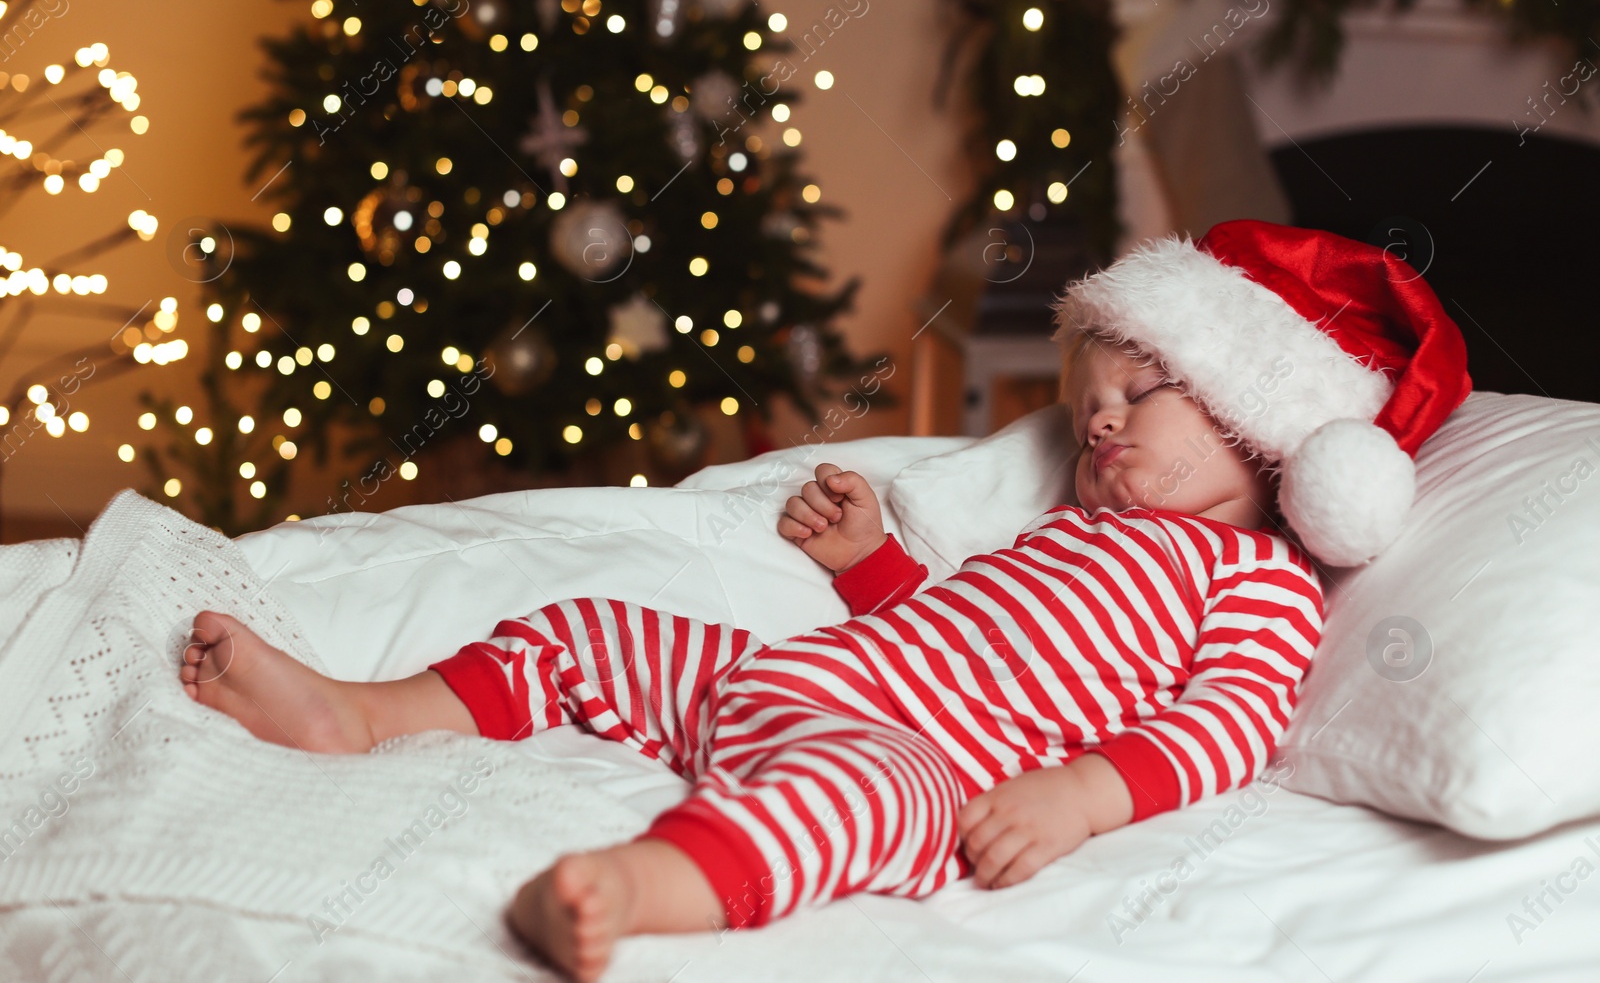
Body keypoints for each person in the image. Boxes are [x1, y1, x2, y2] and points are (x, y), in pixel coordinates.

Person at [178, 220, 1471, 983]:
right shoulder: (1074, 526)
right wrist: (870, 567)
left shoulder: (1251, 581)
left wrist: (1083, 795)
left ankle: (632, 889)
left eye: (1145, 393)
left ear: (1264, 427)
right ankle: (363, 712)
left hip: (901, 753)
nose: (1099, 410)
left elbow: (1229, 723)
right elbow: (956, 619)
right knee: (596, 628)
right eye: (1095, 394)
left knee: (846, 813)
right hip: (797, 676)